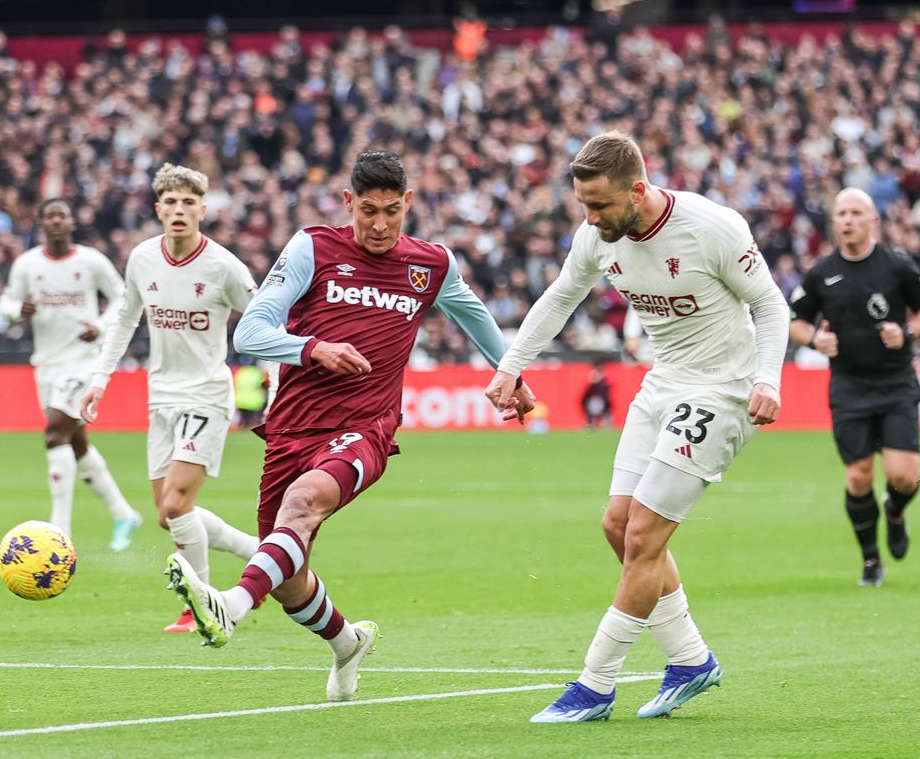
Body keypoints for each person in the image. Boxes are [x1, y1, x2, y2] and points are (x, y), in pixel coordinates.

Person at [165, 149, 534, 702]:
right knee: (291, 581)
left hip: (367, 426)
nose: (381, 224)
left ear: (408, 202)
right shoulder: (313, 248)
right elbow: (249, 335)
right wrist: (313, 348)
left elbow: (472, 312)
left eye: (392, 211)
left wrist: (511, 371)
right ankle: (348, 643)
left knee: (305, 503)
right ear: (348, 202)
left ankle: (230, 605)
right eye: (368, 211)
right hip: (292, 427)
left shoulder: (430, 264)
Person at [485, 131, 789, 723]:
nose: (590, 218)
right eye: (583, 205)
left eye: (600, 206)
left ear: (639, 189)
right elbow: (559, 297)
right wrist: (511, 367)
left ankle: (595, 686)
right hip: (664, 382)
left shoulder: (711, 226)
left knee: (645, 536)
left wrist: (769, 380)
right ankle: (690, 659)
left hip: (723, 390)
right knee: (619, 526)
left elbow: (771, 304)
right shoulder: (597, 236)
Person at [80, 164, 260, 633]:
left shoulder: (223, 267)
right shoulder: (142, 258)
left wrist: (278, 386)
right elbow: (124, 319)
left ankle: (201, 605)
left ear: (203, 210)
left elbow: (266, 319)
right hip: (160, 397)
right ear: (159, 209)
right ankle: (259, 553)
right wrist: (101, 378)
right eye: (171, 203)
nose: (179, 211)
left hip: (206, 395)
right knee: (169, 516)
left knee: (178, 506)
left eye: (188, 203)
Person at [788, 188, 920, 587]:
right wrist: (814, 341)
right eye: (841, 213)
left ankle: (895, 511)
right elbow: (796, 320)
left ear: (873, 220)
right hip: (849, 385)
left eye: (856, 212)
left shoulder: (896, 265)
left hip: (895, 383)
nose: (847, 220)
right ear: (835, 221)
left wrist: (907, 331)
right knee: (858, 477)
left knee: (904, 477)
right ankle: (871, 560)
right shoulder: (821, 273)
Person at [0, 198, 142, 552]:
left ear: (72, 221)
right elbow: (4, 305)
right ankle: (123, 512)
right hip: (46, 364)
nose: (57, 221)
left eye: (63, 214)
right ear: (41, 223)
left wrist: (101, 325)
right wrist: (19, 310)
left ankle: (59, 530)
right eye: (50, 216)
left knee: (54, 434)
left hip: (84, 362)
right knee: (75, 442)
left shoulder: (91, 261)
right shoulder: (26, 264)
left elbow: (124, 297)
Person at [581, 360, 613, 429]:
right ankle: (590, 422)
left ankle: (605, 422)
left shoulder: (604, 382)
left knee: (605, 407)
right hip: (593, 403)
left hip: (602, 403)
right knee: (592, 406)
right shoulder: (592, 385)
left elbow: (606, 395)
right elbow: (584, 398)